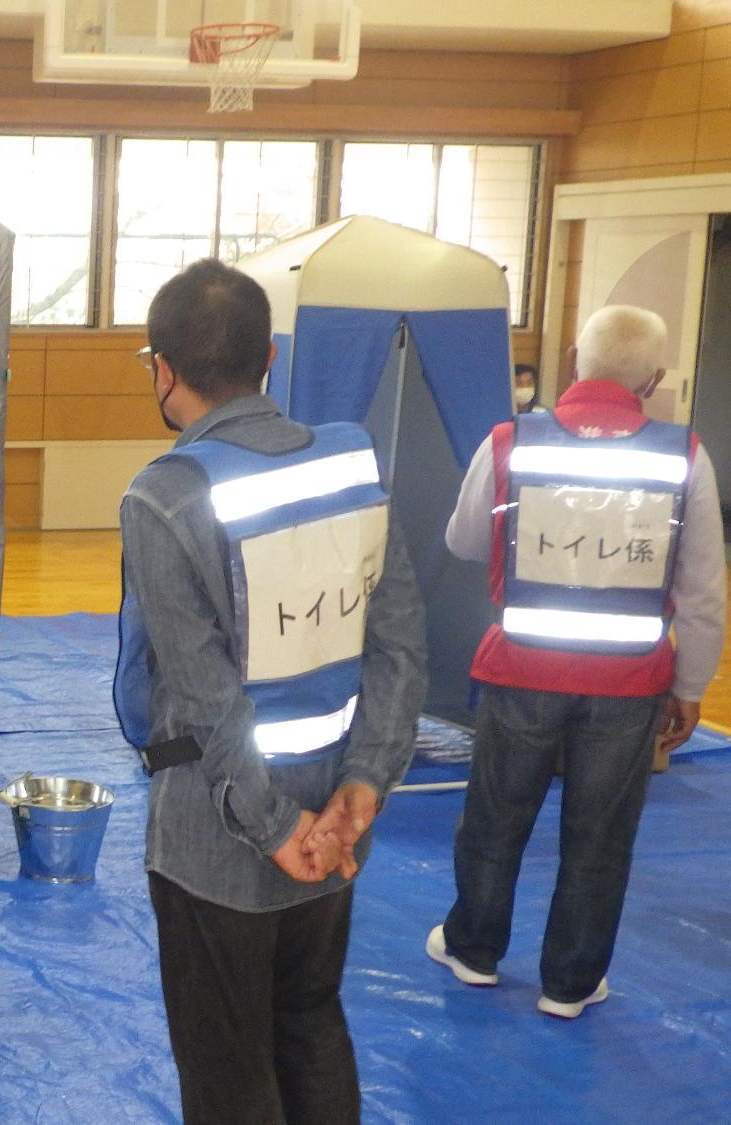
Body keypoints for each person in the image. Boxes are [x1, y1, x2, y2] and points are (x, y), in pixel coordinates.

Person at [113, 259, 427, 1124]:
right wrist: (361, 789)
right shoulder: (350, 468)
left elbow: (206, 696)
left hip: (222, 836)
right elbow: (400, 648)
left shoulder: (166, 497)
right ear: (273, 354)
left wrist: (275, 827)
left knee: (228, 1067)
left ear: (162, 368)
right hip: (335, 817)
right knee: (311, 1024)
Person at [428, 305, 726, 1018]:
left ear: (572, 359)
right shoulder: (683, 455)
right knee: (601, 833)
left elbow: (464, 540)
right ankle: (571, 980)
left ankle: (473, 949)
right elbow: (704, 592)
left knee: (496, 816)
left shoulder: (509, 441)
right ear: (653, 381)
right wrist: (691, 687)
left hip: (521, 670)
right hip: (628, 685)